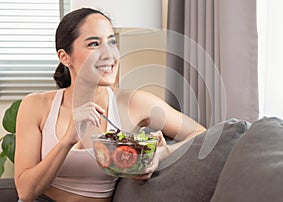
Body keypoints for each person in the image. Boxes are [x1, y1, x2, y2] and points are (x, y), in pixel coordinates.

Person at [14, 8, 206, 202]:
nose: (109, 54)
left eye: (112, 42)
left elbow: (201, 134)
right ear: (65, 57)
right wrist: (66, 141)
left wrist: (163, 153)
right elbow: (25, 192)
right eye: (94, 44)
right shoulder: (35, 105)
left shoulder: (134, 104)